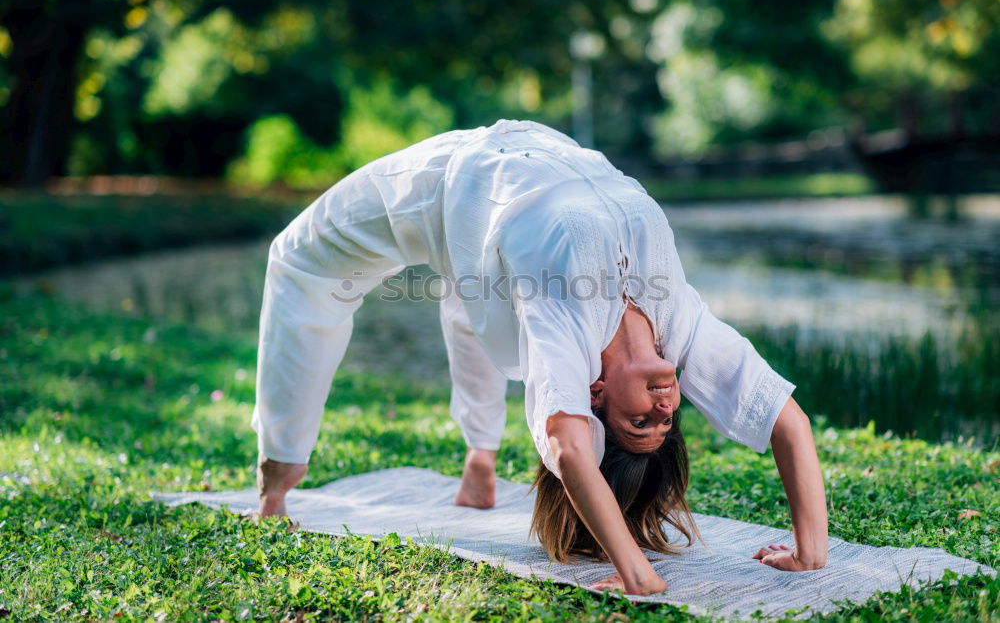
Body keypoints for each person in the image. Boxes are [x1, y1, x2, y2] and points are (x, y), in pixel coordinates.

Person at [251, 119, 829, 595]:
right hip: (547, 153)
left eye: (638, 422)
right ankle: (480, 459)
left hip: (453, 180)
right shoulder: (682, 324)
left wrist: (636, 576)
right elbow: (788, 421)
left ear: (593, 394)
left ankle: (276, 476)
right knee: (480, 297)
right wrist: (810, 551)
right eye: (667, 419)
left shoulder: (567, 332)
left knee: (300, 259)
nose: (662, 405)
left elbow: (568, 446)